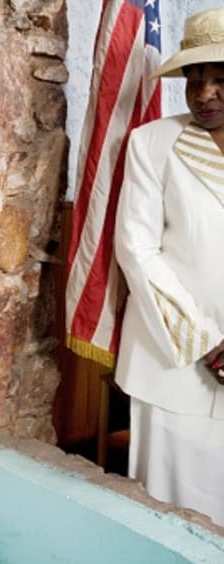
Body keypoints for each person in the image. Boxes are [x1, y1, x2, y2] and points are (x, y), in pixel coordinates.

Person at [114, 6, 224, 527]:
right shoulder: (151, 143)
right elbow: (136, 249)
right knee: (171, 516)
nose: (203, 95)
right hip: (175, 363)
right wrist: (206, 343)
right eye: (194, 80)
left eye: (220, 79)